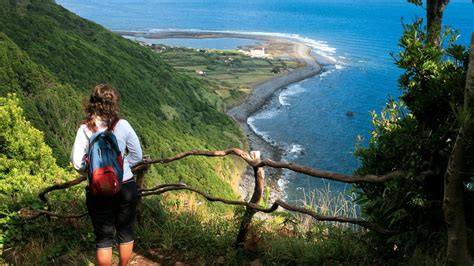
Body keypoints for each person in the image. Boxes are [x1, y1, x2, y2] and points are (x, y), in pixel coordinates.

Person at [71, 84, 143, 266]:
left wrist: (94, 172)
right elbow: (137, 155)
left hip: (97, 189)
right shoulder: (123, 125)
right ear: (114, 103)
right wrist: (123, 167)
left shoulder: (85, 129)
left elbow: (77, 163)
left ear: (93, 103)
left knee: (104, 237)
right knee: (125, 231)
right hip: (125, 184)